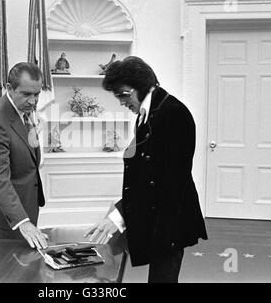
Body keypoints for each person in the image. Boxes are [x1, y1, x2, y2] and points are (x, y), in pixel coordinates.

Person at [85, 56, 208, 283]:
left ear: (140, 87)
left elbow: (168, 181)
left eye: (123, 95)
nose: (122, 102)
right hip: (159, 214)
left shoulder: (174, 113)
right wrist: (118, 214)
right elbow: (143, 174)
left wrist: (120, 216)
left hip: (170, 219)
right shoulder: (146, 113)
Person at [0, 62, 48, 250]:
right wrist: (22, 222)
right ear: (10, 89)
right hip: (9, 215)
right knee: (8, 272)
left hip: (28, 202)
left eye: (37, 94)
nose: (33, 101)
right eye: (27, 94)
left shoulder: (25, 109)